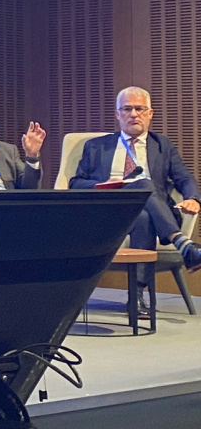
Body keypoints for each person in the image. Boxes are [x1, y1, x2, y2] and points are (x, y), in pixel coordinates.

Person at [70, 86, 201, 309]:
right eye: (127, 109)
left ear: (150, 114)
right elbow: (76, 183)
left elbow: (184, 178)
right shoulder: (96, 146)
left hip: (148, 212)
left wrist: (193, 198)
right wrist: (106, 185)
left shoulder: (162, 146)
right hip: (107, 212)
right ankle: (182, 244)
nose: (133, 114)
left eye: (139, 109)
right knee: (143, 183)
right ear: (117, 114)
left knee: (143, 215)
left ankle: (136, 295)